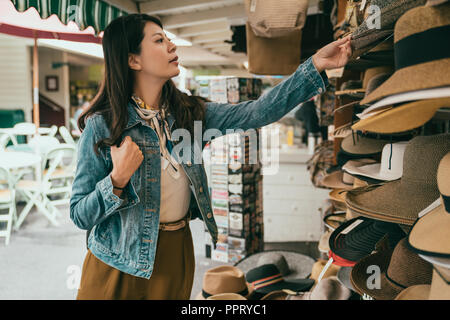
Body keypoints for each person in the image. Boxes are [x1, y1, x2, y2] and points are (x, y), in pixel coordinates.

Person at [70, 14, 352, 300]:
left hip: (175, 252)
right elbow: (80, 214)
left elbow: (257, 112)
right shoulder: (103, 126)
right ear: (133, 60)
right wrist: (117, 179)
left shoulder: (190, 114)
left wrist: (314, 65)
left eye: (168, 38)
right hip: (117, 263)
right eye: (159, 40)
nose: (171, 45)